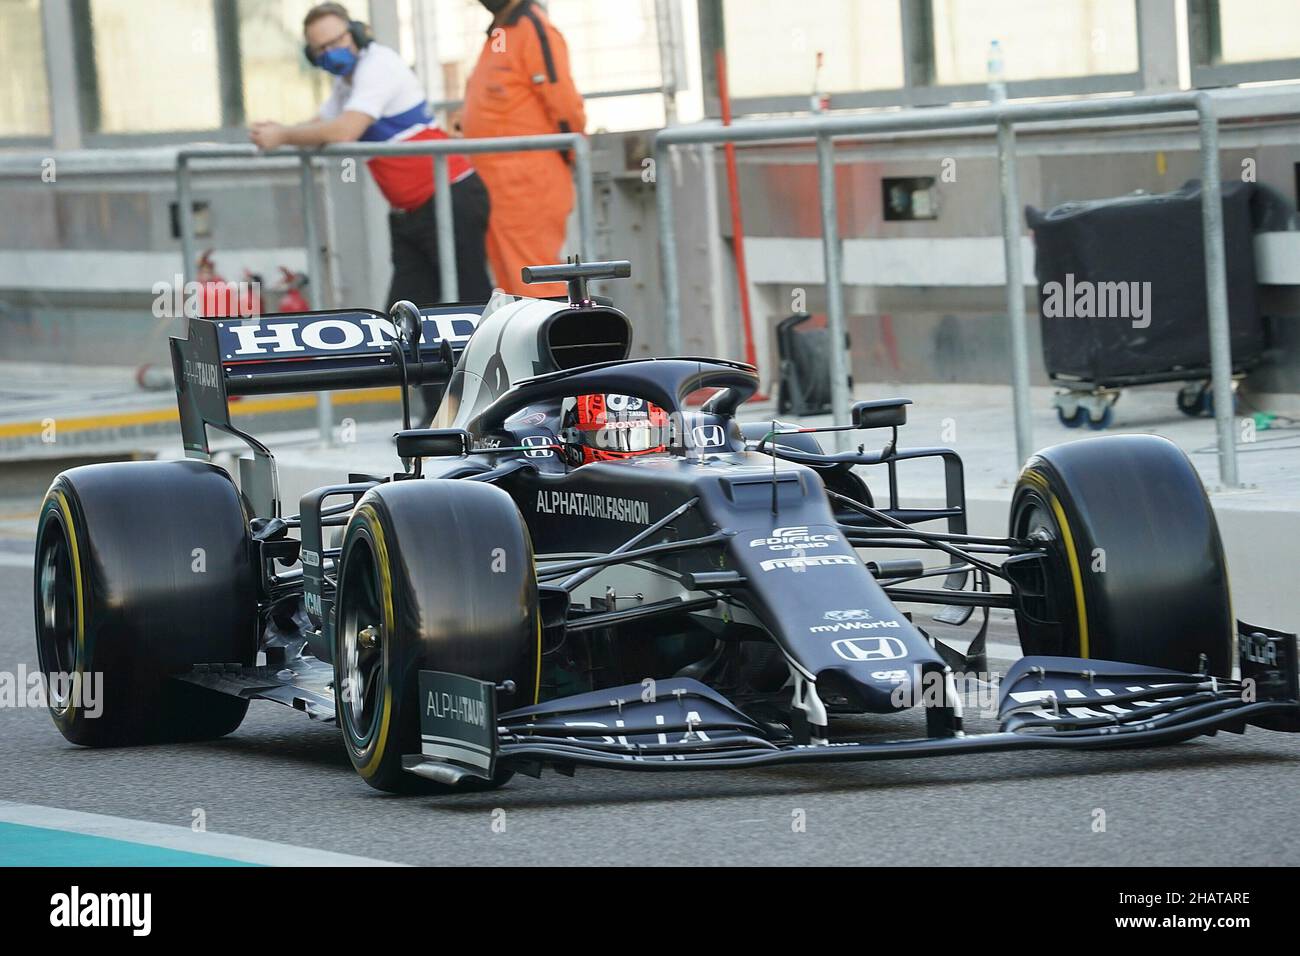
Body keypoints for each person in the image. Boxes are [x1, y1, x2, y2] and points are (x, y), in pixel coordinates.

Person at [248, 2, 492, 314]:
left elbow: (344, 130)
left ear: (357, 34)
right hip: (411, 215)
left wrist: (282, 136)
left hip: (449, 201)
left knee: (472, 304)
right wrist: (279, 131)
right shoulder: (346, 82)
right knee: (402, 319)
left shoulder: (378, 65)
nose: (331, 51)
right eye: (321, 49)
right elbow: (320, 124)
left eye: (336, 41)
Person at [462, 0, 586, 297]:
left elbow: (565, 105)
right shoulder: (502, 33)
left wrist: (568, 155)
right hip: (499, 185)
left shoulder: (532, 28)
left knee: (535, 278)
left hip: (527, 183)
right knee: (513, 284)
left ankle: (550, 342)